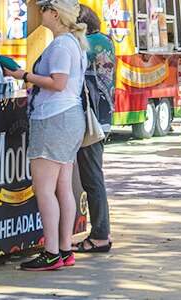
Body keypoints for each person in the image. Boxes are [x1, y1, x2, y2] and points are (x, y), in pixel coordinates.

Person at [3, 0, 88, 271]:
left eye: (43, 9)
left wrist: (23, 74)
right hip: (68, 117)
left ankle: (51, 251)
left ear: (55, 14)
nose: (38, 13)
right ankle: (64, 249)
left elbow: (58, 82)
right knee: (63, 186)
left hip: (53, 118)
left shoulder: (62, 44)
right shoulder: (72, 43)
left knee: (44, 189)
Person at [71, 4, 116, 254]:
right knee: (93, 175)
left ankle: (100, 235)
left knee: (92, 178)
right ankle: (100, 232)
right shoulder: (106, 40)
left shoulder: (84, 44)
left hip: (91, 119)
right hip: (104, 115)